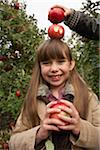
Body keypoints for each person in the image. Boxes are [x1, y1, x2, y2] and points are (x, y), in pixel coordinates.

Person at [9, 39, 100, 150]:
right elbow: (13, 143)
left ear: (71, 64)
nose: (54, 69)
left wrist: (80, 128)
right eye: (46, 63)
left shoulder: (87, 97)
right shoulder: (33, 100)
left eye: (61, 62)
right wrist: (38, 134)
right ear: (40, 67)